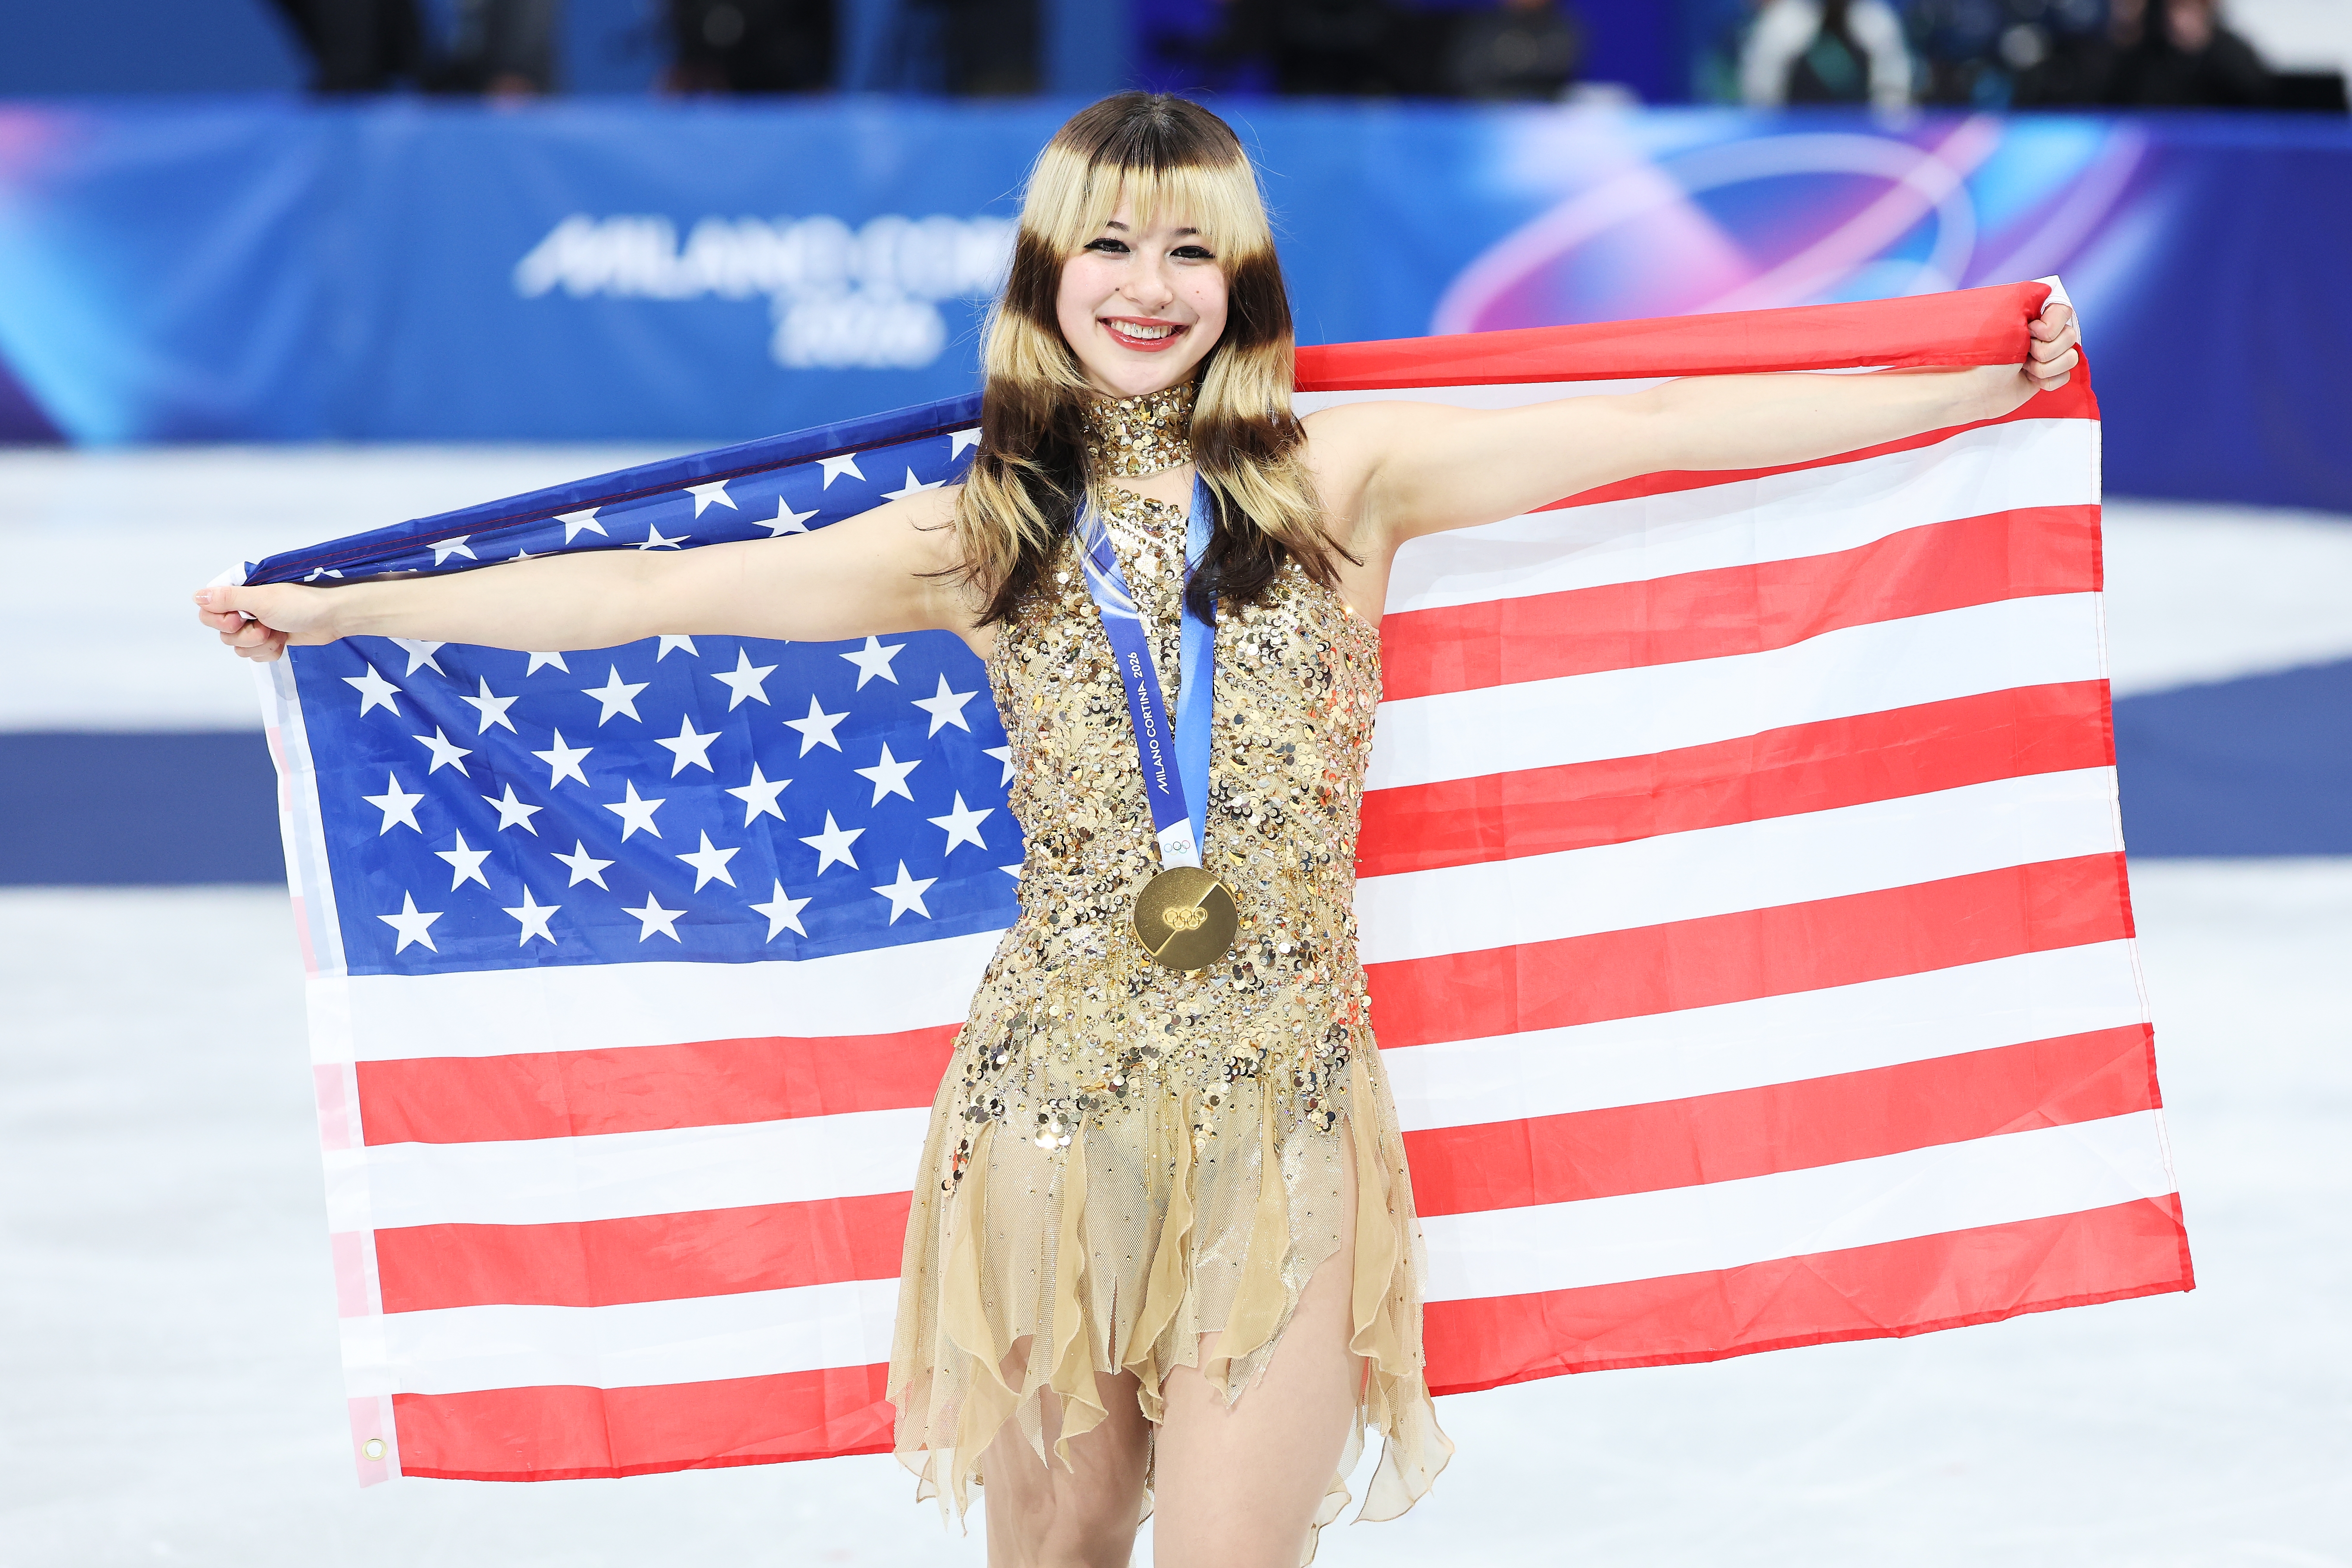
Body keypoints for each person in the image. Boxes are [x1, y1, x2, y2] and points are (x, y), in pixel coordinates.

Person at [193, 92, 2080, 1568]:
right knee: (1064, 1542)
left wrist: (1975, 371)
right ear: (1043, 272)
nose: (1149, 281)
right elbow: (667, 592)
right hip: (1045, 1096)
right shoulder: (986, 527)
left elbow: (1665, 419)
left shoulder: (1354, 474)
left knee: (1230, 1546)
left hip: (1283, 1098)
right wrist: (346, 612)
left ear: (1245, 278)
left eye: (1192, 247)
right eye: (1110, 243)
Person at [1740, 0, 1916, 110]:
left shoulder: (1877, 20)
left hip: (1861, 138)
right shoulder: (1781, 22)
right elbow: (1761, 97)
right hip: (1794, 137)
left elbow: (1894, 96)